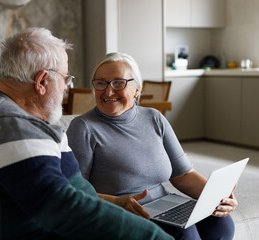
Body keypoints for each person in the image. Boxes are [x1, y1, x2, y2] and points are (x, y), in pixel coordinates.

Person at [0, 28, 173, 240]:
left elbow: (75, 188)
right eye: (66, 78)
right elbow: (63, 208)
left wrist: (115, 203)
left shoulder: (29, 120)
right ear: (42, 81)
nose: (67, 87)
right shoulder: (8, 124)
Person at [66, 52, 237, 240]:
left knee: (222, 224)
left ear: (136, 90)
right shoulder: (83, 128)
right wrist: (115, 202)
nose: (108, 91)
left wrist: (219, 197)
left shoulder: (154, 118)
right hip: (122, 212)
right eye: (100, 83)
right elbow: (73, 190)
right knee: (185, 234)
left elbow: (184, 174)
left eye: (118, 83)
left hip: (166, 205)